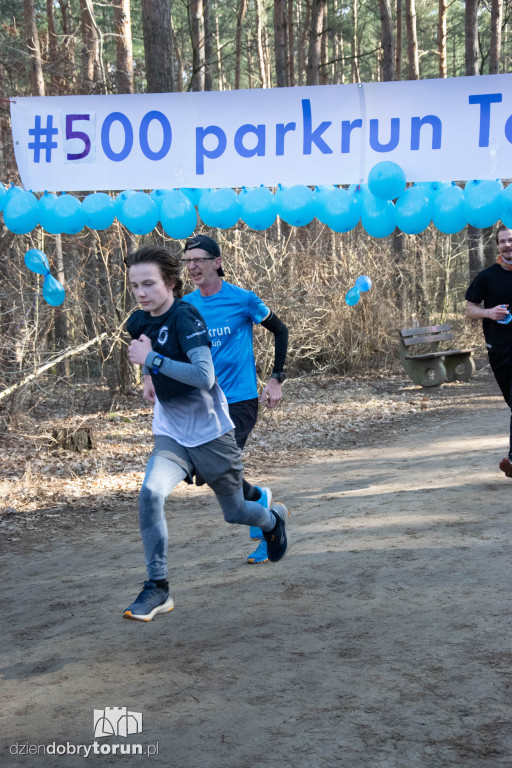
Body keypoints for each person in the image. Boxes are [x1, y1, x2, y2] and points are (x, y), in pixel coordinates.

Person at [123, 244, 289, 621]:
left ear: (170, 282)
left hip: (212, 432)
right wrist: (148, 377)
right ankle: (157, 587)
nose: (142, 293)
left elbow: (203, 376)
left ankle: (271, 519)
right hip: (172, 433)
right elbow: (142, 348)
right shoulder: (137, 320)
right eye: (135, 286)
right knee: (150, 493)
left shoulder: (187, 317)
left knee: (234, 512)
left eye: (149, 284)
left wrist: (152, 361)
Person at [181, 234, 289, 564]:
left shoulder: (243, 300)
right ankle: (261, 499)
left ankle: (267, 522)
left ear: (217, 262)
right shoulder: (185, 305)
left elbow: (280, 330)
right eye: (188, 261)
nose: (193, 266)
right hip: (203, 403)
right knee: (213, 474)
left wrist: (275, 380)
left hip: (240, 401)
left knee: (218, 468)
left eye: (199, 259)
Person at [465, 222, 512, 478]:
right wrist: (489, 313)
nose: (508, 245)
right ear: (498, 246)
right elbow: (469, 309)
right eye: (503, 241)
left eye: (511, 240)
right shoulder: (487, 276)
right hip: (500, 349)